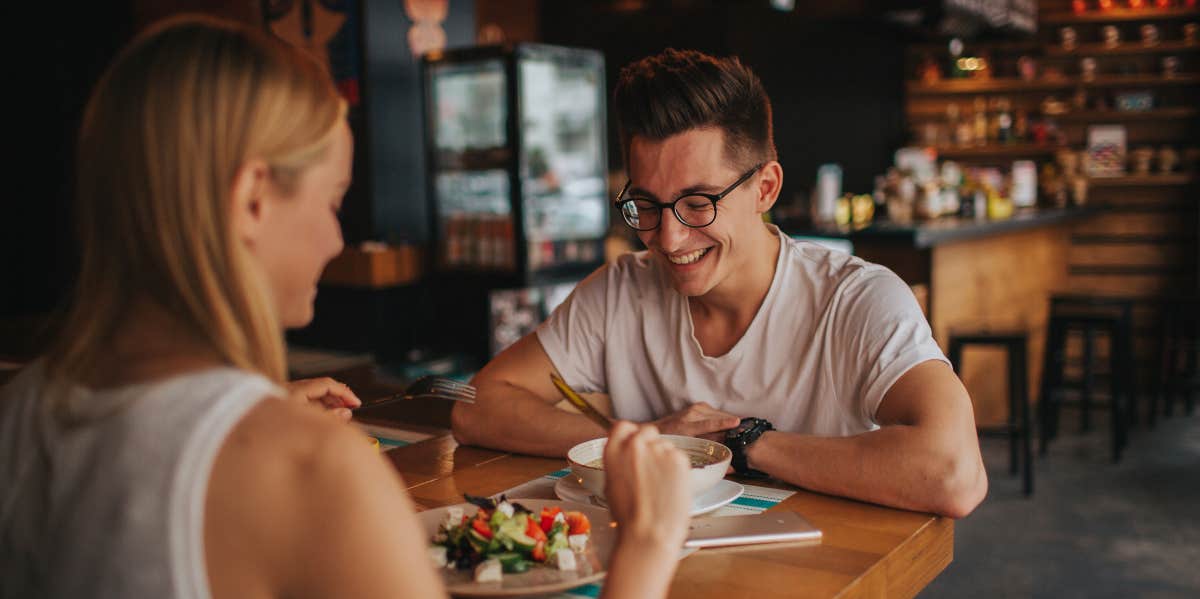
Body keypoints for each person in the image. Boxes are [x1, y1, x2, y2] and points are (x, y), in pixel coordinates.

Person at [0, 16, 691, 599]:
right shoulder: (315, 470)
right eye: (334, 200)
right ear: (252, 200)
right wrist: (648, 547)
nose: (337, 236)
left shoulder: (19, 411)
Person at [452, 48, 988, 518]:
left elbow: (954, 474)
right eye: (646, 204)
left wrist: (746, 445)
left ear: (765, 188)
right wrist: (645, 440)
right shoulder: (621, 291)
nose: (669, 237)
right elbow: (477, 405)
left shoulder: (856, 300)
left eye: (697, 202)